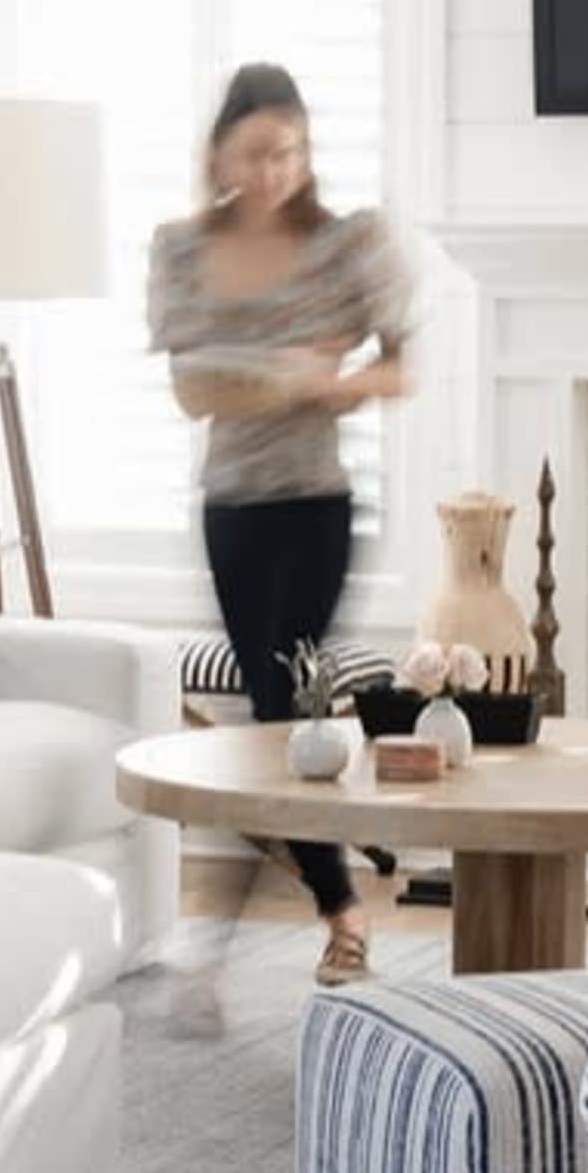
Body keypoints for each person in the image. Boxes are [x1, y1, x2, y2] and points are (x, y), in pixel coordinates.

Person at [148, 62, 413, 987]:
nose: (274, 169)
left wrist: (324, 383)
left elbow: (401, 367)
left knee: (282, 707)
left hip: (316, 506)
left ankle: (338, 917)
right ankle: (312, 915)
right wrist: (269, 371)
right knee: (269, 722)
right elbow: (189, 391)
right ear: (219, 149)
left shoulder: (348, 244)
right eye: (258, 151)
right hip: (229, 507)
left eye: (291, 150)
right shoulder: (180, 249)